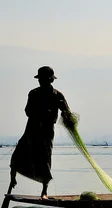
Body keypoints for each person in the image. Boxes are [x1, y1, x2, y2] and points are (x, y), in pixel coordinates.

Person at [8, 66, 71, 200]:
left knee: (44, 159)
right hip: (32, 129)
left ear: (50, 80)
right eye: (40, 79)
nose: (41, 82)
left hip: (47, 131)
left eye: (44, 79)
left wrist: (64, 110)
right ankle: (12, 179)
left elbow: (67, 112)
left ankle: (44, 192)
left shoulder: (57, 95)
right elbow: (28, 111)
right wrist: (41, 113)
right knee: (19, 153)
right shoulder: (34, 93)